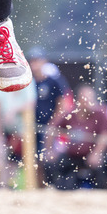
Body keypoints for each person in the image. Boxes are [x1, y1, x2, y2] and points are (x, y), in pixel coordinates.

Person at [46, 84, 107, 190]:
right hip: (72, 156)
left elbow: (105, 136)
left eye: (91, 98)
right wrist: (50, 150)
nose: (89, 101)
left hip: (91, 154)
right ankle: (53, 188)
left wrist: (96, 153)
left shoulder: (100, 113)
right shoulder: (70, 113)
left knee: (102, 166)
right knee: (51, 164)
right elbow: (52, 128)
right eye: (86, 98)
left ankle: (104, 190)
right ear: (78, 100)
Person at [28, 48, 71, 187]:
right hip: (33, 128)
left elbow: (62, 105)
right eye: (32, 60)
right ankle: (39, 187)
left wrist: (52, 125)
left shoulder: (53, 81)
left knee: (50, 158)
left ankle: (52, 186)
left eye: (37, 60)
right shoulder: (29, 83)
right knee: (34, 160)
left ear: (44, 61)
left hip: (50, 129)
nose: (34, 64)